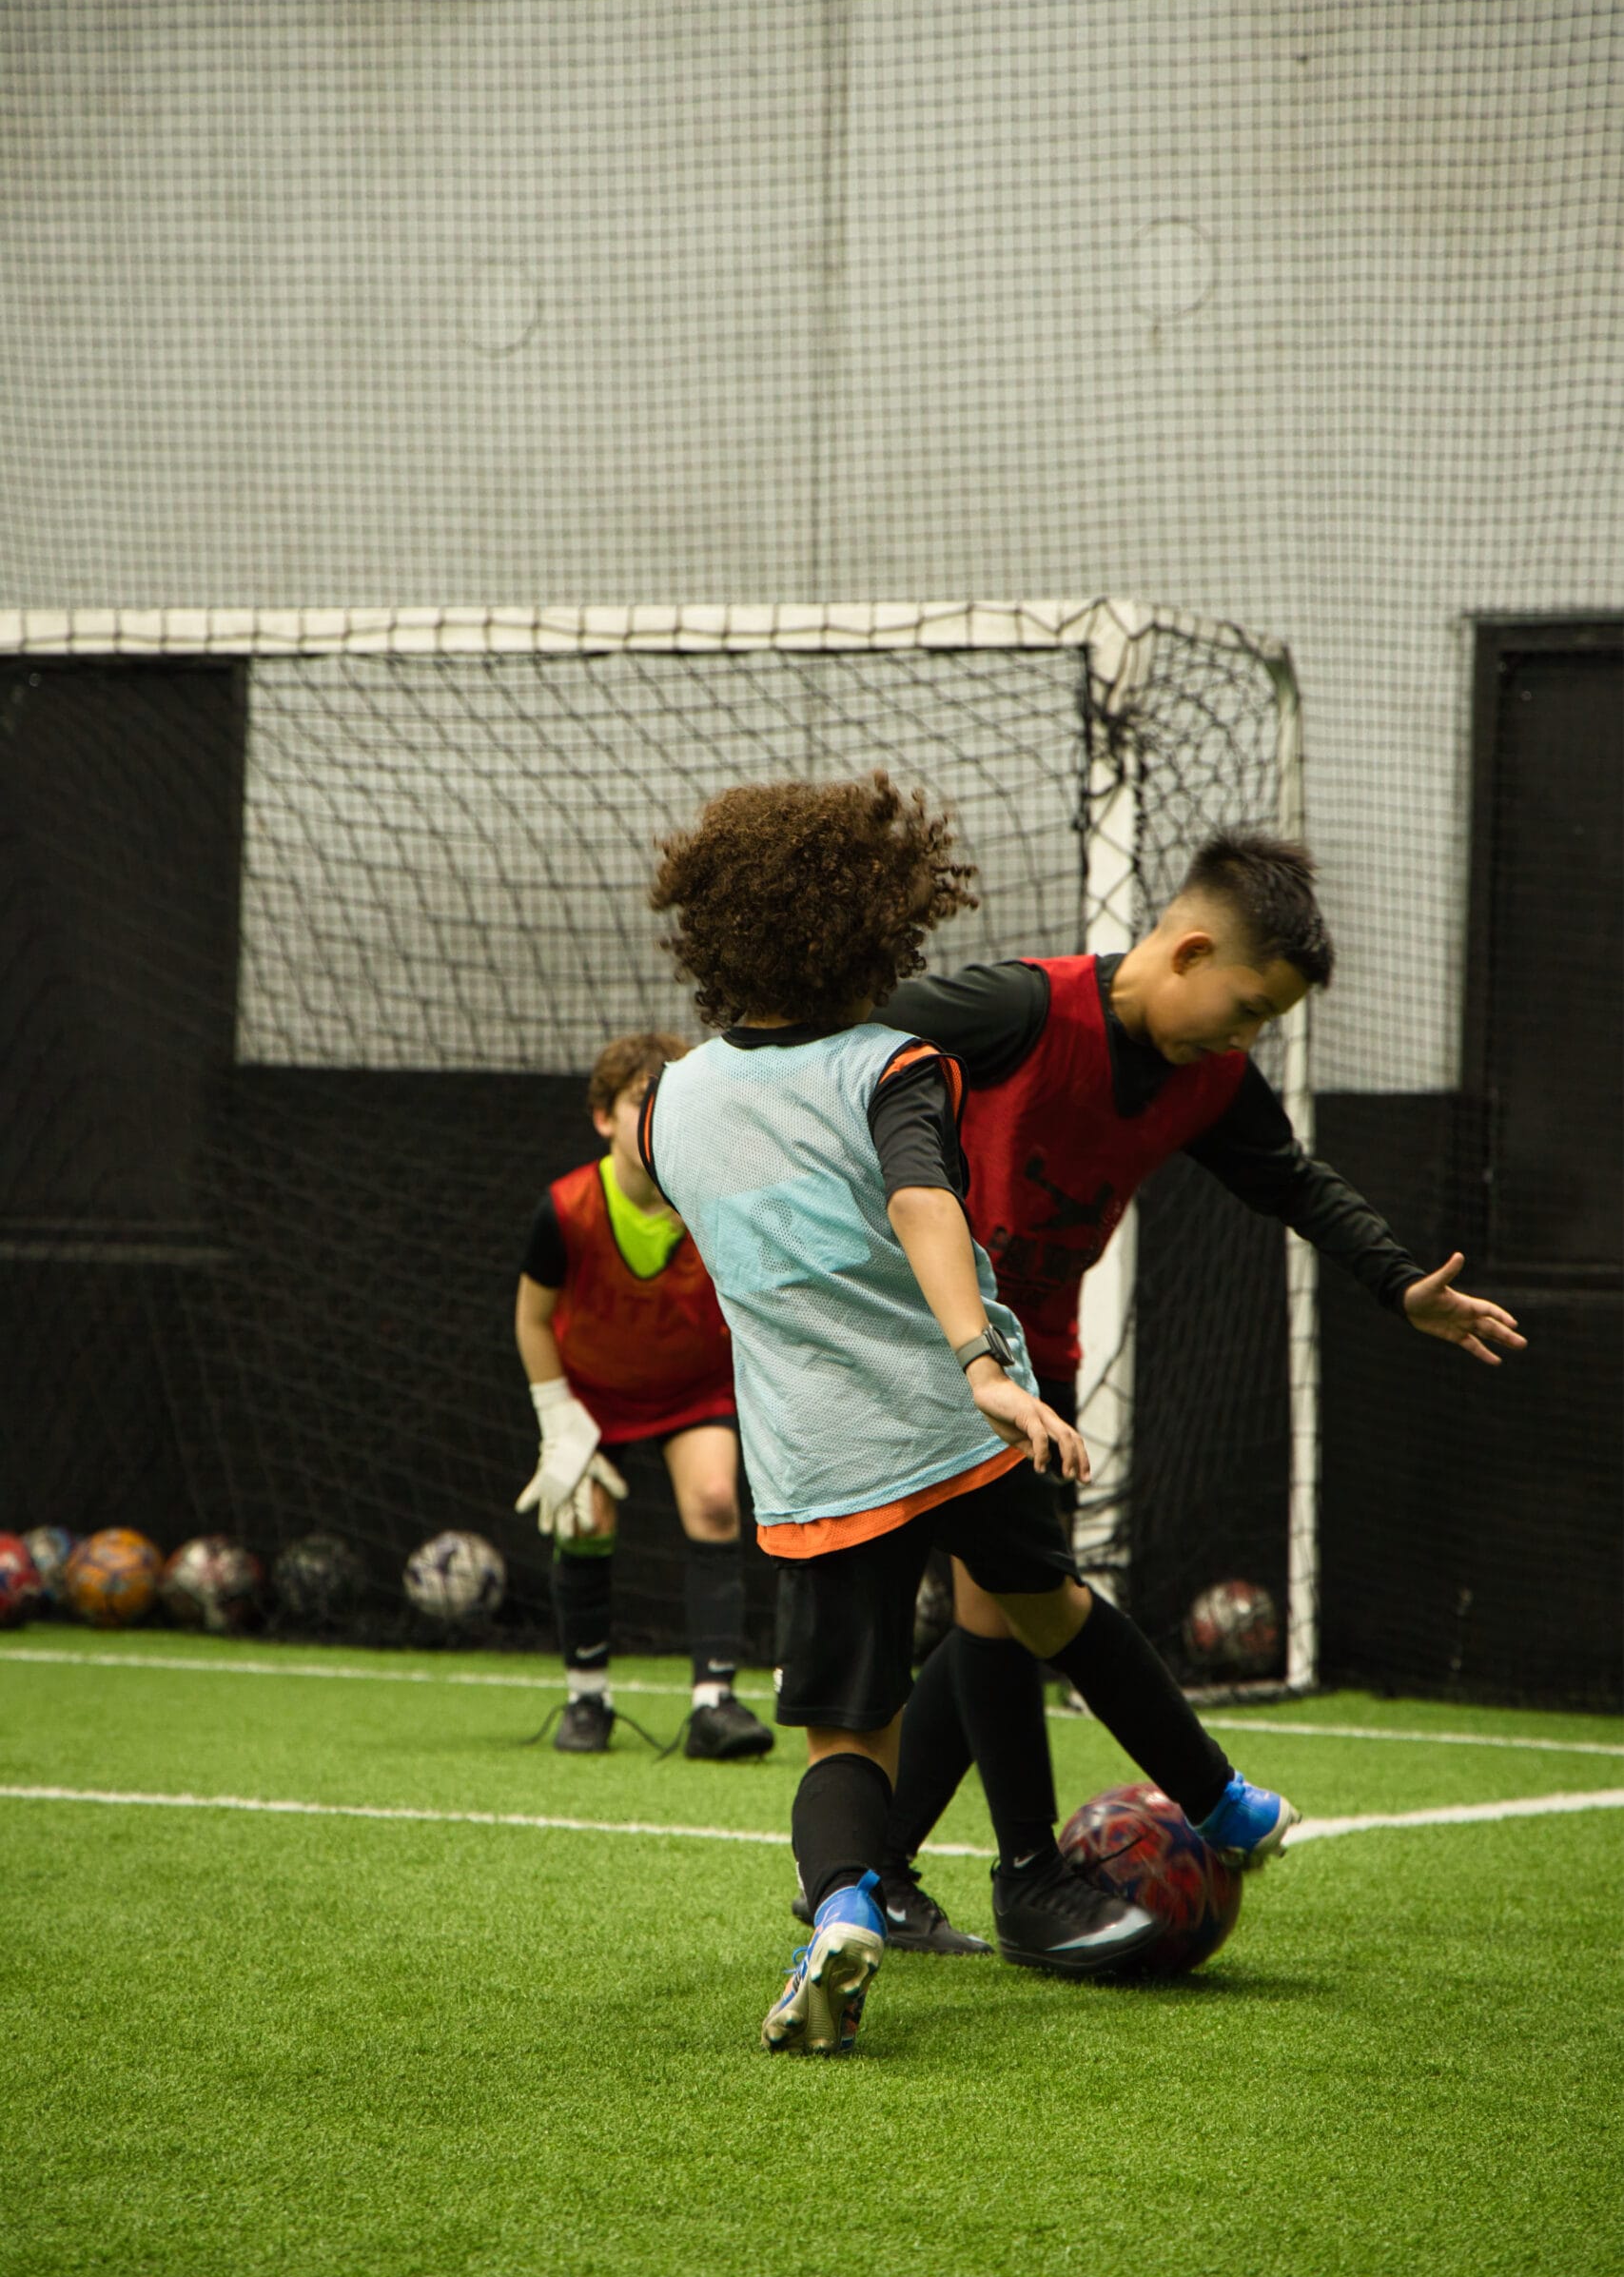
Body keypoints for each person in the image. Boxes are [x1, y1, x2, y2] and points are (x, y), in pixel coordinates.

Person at [641, 775, 1296, 2056]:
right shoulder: (894, 1062)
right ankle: (1221, 1806)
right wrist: (982, 1367)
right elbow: (924, 1206)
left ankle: (841, 1906)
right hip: (952, 1430)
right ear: (881, 929)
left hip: (812, 1464)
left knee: (846, 1734)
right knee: (1056, 1612)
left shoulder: (669, 1102)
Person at [794, 828, 1527, 1959]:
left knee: (1006, 1606)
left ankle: (895, 1872)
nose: (1247, 1038)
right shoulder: (1016, 1011)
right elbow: (833, 1053)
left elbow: (1291, 1181)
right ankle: (1006, 1873)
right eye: (1246, 1008)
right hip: (916, 1354)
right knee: (993, 1609)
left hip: (1037, 1365)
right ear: (1186, 951)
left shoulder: (1210, 1081)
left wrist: (1397, 1284)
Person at [514, 1031, 773, 1760]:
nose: (657, 1114)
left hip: (692, 1389)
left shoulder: (717, 1199)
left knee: (717, 1499)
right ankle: (586, 1696)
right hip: (591, 1394)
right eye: (639, 1100)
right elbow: (532, 1318)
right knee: (585, 1514)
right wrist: (555, 1418)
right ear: (603, 1117)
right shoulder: (564, 1210)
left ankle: (714, 1704)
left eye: (673, 1101)